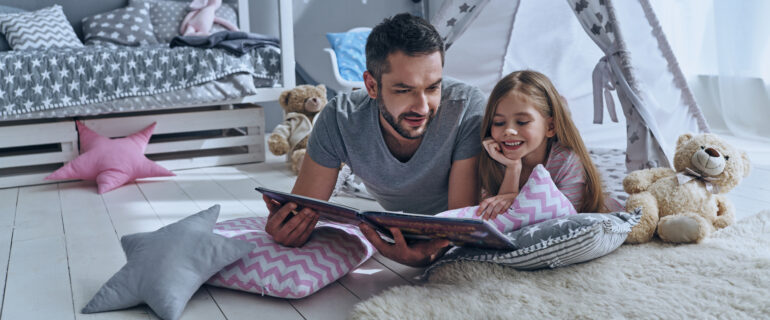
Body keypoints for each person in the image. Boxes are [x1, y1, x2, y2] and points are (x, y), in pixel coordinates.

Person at [263, 13, 486, 267]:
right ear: (371, 85)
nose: (422, 107)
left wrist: (432, 255)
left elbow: (459, 228)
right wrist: (288, 228)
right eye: (404, 90)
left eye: (433, 87)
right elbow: (303, 209)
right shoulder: (339, 119)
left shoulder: (466, 109)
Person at [475, 70, 615, 220]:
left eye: (522, 122)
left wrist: (514, 200)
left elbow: (563, 222)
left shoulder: (566, 162)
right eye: (499, 123)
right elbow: (495, 220)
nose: (508, 130)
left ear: (550, 127)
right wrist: (513, 169)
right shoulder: (492, 159)